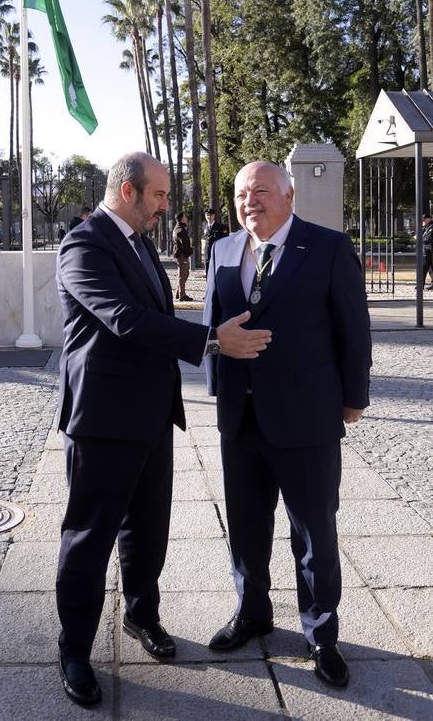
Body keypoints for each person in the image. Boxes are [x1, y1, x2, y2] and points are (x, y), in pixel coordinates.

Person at [55, 152, 272, 707]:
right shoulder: (84, 245)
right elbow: (125, 319)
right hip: (102, 420)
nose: (165, 205)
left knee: (147, 529)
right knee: (89, 537)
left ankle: (141, 617)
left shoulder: (140, 240)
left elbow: (158, 311)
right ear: (127, 191)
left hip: (151, 415)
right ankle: (75, 647)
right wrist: (211, 341)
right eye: (159, 195)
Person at [204, 161, 371, 690]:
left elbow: (353, 326)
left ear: (289, 195)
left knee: (314, 530)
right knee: (246, 527)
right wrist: (217, 389)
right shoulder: (222, 250)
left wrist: (353, 398)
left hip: (307, 416)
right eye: (240, 193)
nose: (249, 200)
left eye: (260, 191)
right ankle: (253, 611)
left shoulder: (326, 247)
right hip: (241, 416)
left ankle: (321, 632)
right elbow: (213, 323)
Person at [172, 211, 193, 301]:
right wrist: (189, 252)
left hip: (180, 254)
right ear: (181, 218)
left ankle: (178, 291)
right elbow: (184, 244)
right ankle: (182, 294)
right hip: (182, 255)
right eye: (185, 217)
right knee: (183, 274)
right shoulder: (180, 230)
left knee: (184, 273)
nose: (186, 218)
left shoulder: (177, 228)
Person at [203, 208, 227, 276]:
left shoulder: (220, 227)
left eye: (211, 215)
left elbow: (223, 240)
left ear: (214, 216)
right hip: (207, 252)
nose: (209, 217)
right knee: (207, 270)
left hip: (217, 252)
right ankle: (208, 285)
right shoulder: (206, 226)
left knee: (216, 271)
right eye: (207, 215)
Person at [421, 213, 433, 290]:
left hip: (430, 250)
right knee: (430, 269)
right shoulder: (427, 227)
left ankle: (421, 284)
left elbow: (429, 238)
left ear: (430, 219)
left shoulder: (431, 227)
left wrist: (420, 239)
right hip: (427, 250)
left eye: (425, 219)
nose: (423, 221)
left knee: (424, 267)